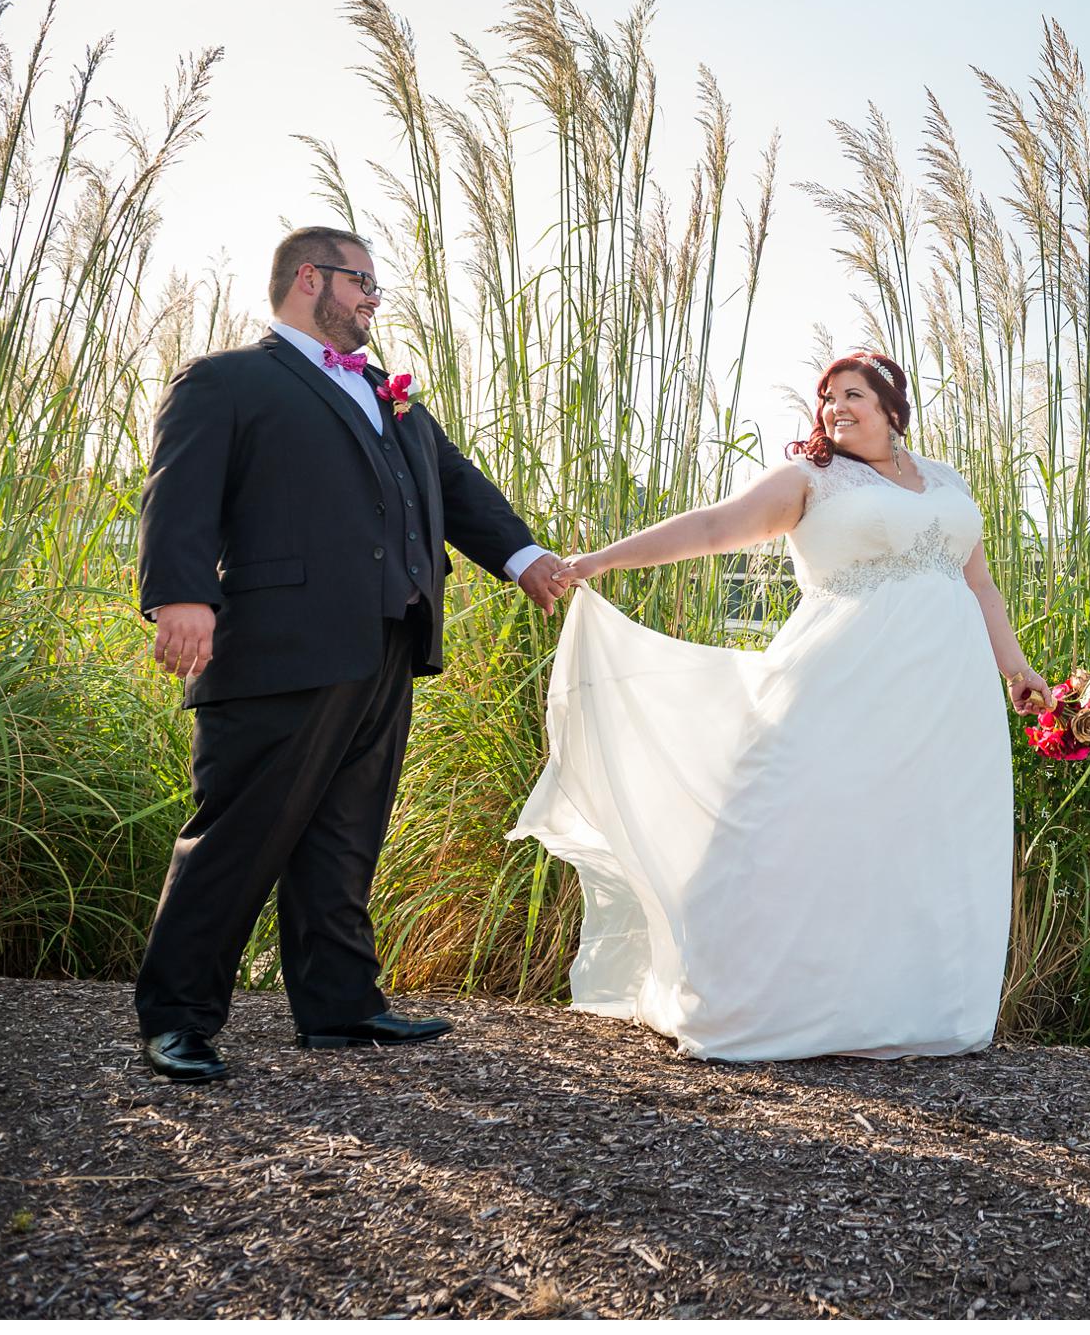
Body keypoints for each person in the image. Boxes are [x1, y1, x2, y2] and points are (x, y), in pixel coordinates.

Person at [508, 352, 1043, 1059]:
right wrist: (597, 561)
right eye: (827, 397)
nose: (836, 407)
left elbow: (981, 587)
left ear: (892, 406)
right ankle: (752, 1000)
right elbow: (709, 528)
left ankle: (911, 1009)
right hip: (839, 675)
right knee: (785, 817)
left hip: (948, 689)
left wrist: (1017, 667)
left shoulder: (946, 481)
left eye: (854, 394)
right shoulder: (809, 479)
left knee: (923, 830)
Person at [135, 226, 575, 1082]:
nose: (375, 298)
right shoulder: (228, 379)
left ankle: (340, 1005)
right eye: (363, 282)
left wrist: (524, 558)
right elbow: (176, 491)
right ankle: (177, 1015)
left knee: (344, 833)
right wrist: (181, 595)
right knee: (238, 833)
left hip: (387, 638)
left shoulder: (389, 392)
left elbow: (455, 485)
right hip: (276, 645)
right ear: (311, 279)